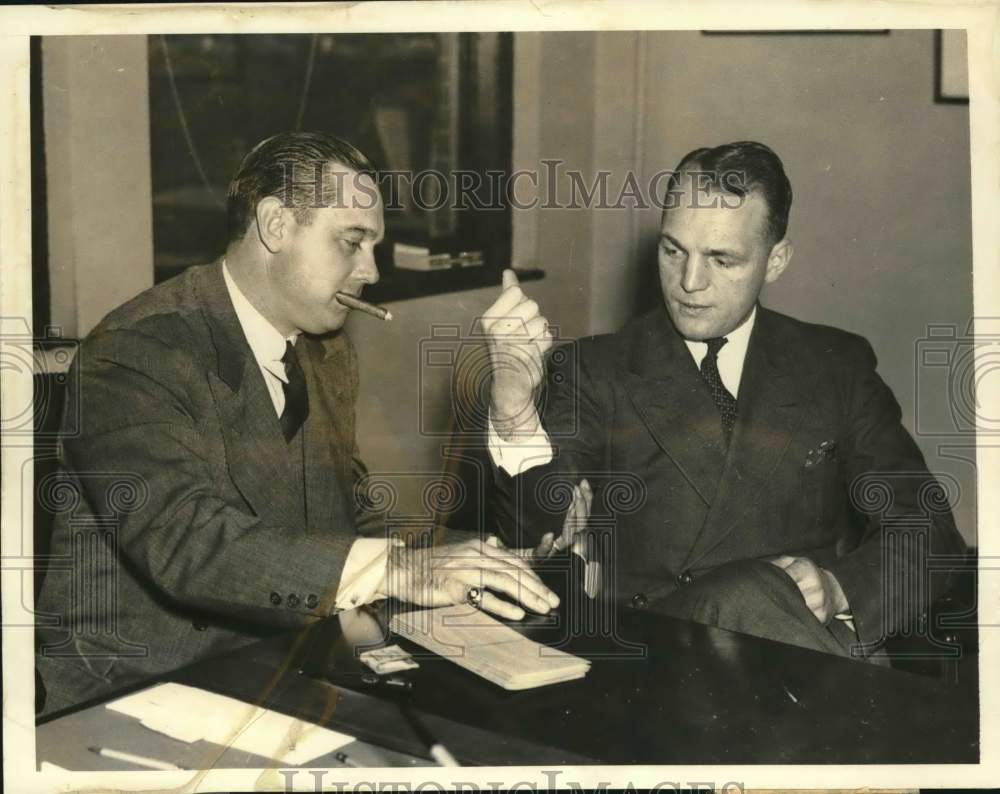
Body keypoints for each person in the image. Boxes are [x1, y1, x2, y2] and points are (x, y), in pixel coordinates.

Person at [35, 132, 561, 718]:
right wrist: (399, 568)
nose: (371, 270)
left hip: (278, 673)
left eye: (374, 246)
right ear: (276, 225)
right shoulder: (134, 351)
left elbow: (352, 515)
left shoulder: (325, 350)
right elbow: (188, 543)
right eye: (352, 242)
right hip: (139, 693)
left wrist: (462, 557)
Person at [483, 141, 967, 659]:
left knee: (764, 600)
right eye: (674, 251)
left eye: (722, 259)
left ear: (775, 260)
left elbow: (930, 532)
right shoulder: (595, 370)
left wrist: (839, 587)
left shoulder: (834, 366)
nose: (690, 283)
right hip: (662, 660)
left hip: (813, 652)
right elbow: (535, 534)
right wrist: (514, 408)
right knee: (743, 592)